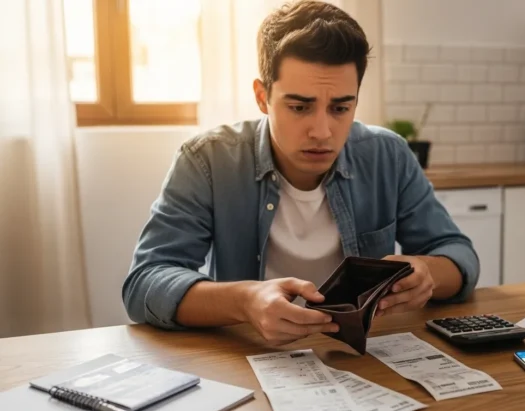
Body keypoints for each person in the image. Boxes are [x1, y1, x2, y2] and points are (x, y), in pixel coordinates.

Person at [122, 0, 479, 346]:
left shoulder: (388, 155)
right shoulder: (208, 160)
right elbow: (145, 283)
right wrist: (245, 302)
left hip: (362, 355)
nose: (322, 132)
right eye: (299, 107)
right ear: (262, 97)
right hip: (252, 356)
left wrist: (427, 274)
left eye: (340, 108)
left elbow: (459, 255)